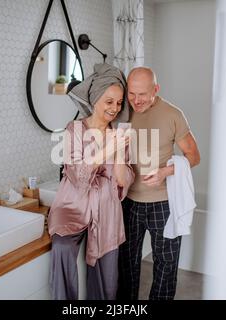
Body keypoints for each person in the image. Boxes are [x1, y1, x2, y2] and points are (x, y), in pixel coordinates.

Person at [48, 63, 135, 300]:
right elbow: (77, 174)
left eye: (118, 103)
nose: (115, 109)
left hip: (106, 206)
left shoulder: (119, 133)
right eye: (109, 101)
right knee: (62, 249)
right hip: (72, 204)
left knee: (107, 275)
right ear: (95, 98)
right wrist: (107, 150)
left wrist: (117, 151)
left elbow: (122, 182)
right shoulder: (74, 129)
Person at [118, 67, 201, 300]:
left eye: (142, 94)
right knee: (126, 263)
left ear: (156, 89)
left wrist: (166, 171)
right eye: (131, 94)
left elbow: (194, 157)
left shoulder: (173, 114)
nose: (136, 100)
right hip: (129, 202)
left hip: (163, 203)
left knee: (166, 265)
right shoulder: (122, 112)